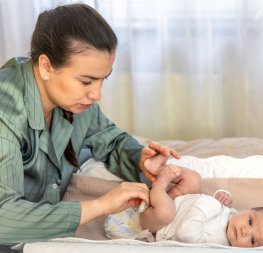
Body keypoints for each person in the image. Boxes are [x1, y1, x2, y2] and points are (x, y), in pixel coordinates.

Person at [0, 3, 200, 248]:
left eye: (103, 79)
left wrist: (140, 160)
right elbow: (3, 219)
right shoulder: (5, 112)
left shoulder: (74, 101)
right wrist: (101, 205)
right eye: (87, 81)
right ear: (46, 67)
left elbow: (109, 138)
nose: (97, 94)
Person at [106, 164, 263, 247]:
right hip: (176, 202)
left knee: (165, 213)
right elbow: (218, 202)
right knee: (194, 180)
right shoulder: (233, 215)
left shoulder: (218, 244)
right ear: (248, 210)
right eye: (250, 221)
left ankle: (160, 184)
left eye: (252, 240)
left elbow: (187, 232)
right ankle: (157, 168)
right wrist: (222, 196)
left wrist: (210, 206)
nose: (245, 231)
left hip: (157, 223)